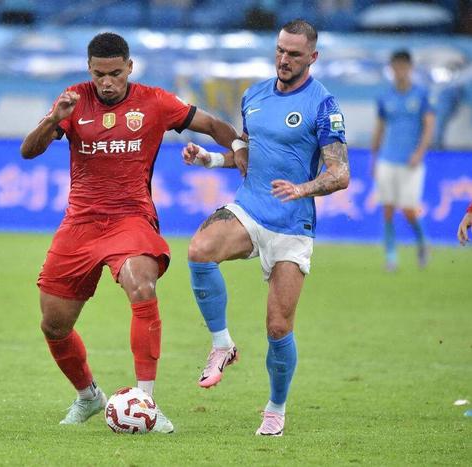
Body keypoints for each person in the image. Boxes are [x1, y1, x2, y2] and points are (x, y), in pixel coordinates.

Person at [20, 32, 239, 433]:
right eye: (99, 74)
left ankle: (146, 403)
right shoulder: (73, 100)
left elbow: (210, 124)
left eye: (116, 74)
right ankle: (89, 396)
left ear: (130, 68)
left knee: (142, 286)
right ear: (89, 69)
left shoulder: (155, 102)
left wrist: (240, 149)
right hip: (80, 223)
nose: (107, 82)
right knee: (54, 324)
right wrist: (53, 119)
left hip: (130, 218)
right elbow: (28, 151)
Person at [182, 19, 349, 436]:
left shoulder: (324, 105)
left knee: (278, 328)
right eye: (280, 50)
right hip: (250, 208)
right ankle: (222, 344)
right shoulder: (254, 96)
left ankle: (275, 407)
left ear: (313, 57)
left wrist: (302, 188)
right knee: (200, 250)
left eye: (294, 54)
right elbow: (247, 158)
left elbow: (340, 173)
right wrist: (210, 159)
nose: (283, 59)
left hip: (293, 224)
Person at [371, 49, 435, 272]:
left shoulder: (421, 95)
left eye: (403, 66)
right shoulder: (385, 97)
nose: (399, 71)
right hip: (387, 159)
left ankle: (423, 242)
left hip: (411, 161)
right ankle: (391, 257)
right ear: (391, 69)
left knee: (408, 209)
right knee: (387, 209)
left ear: (410, 68)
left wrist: (420, 152)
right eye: (395, 67)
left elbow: (429, 126)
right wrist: (374, 158)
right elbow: (379, 129)